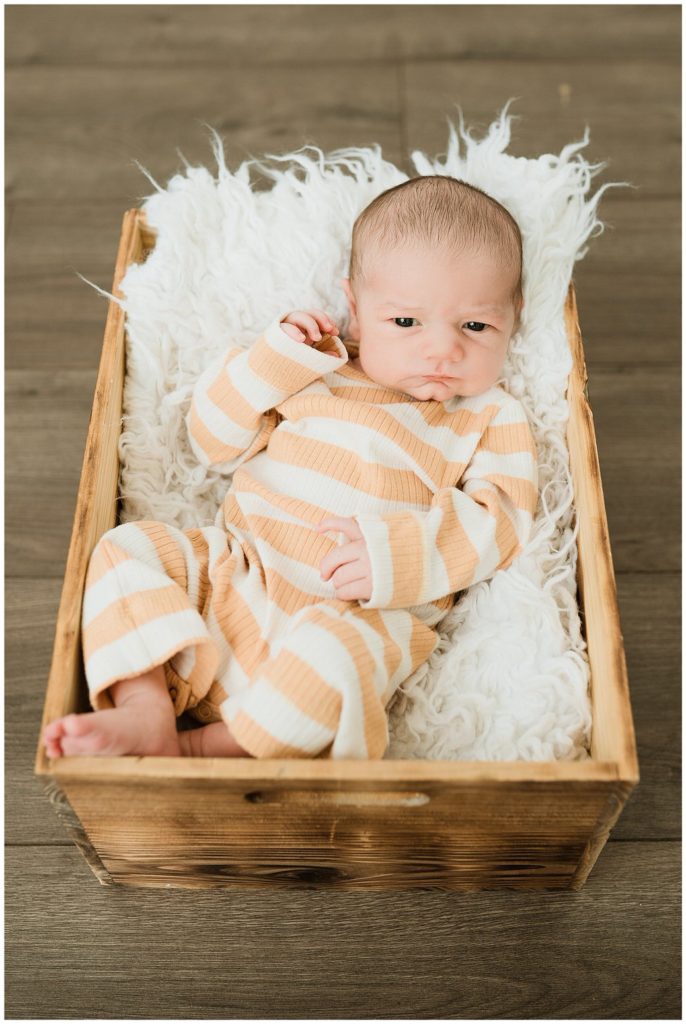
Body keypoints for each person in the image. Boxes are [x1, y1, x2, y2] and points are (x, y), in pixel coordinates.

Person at [43, 175, 538, 761]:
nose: (441, 349)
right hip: (240, 576)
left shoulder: (488, 413)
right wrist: (270, 362)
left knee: (341, 662)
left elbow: (503, 520)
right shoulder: (316, 368)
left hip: (355, 615)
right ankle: (145, 705)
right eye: (405, 322)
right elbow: (211, 441)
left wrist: (397, 555)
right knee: (127, 551)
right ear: (355, 307)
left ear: (514, 315)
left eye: (475, 326)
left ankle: (204, 750)